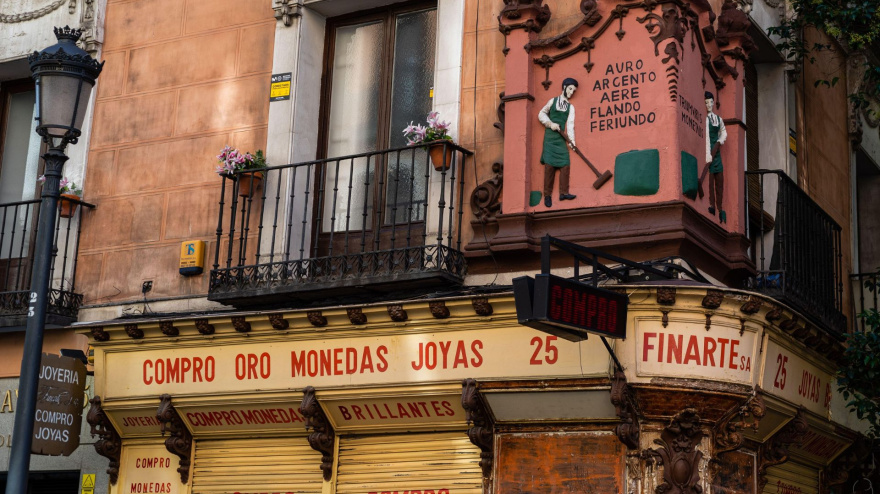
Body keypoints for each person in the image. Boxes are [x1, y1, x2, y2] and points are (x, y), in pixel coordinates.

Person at [538, 78, 578, 208]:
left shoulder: (570, 107)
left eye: (573, 90)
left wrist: (572, 142)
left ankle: (564, 193)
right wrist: (550, 124)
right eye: (570, 89)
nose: (571, 92)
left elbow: (570, 125)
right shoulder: (553, 101)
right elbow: (541, 114)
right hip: (550, 138)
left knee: (565, 163)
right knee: (549, 166)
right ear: (564, 87)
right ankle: (547, 195)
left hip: (561, 138)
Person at [705, 91, 727, 222]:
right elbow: (707, 138)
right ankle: (712, 206)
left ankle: (720, 208)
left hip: (717, 153)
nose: (708, 105)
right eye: (706, 103)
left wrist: (720, 141)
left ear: (713, 103)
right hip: (710, 153)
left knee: (719, 181)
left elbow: (723, 132)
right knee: (710, 181)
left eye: (710, 102)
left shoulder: (718, 119)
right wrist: (708, 154)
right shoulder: (706, 120)